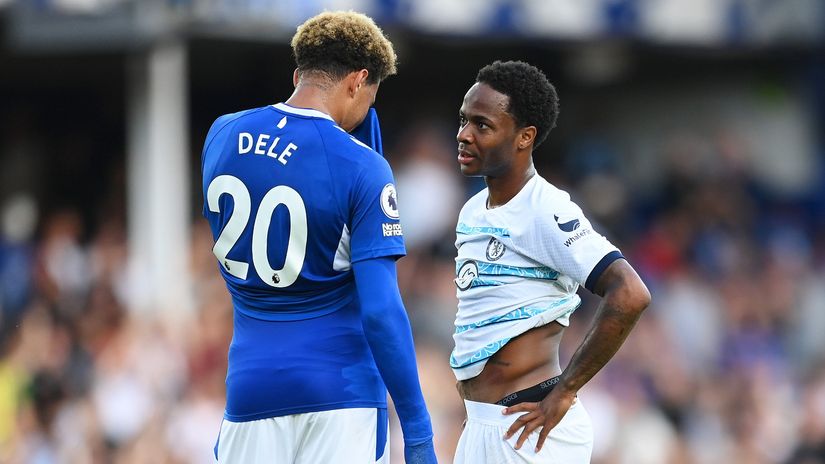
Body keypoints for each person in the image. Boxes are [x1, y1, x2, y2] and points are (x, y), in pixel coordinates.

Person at [200, 11, 436, 464]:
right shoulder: (362, 166)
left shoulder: (221, 134)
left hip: (249, 390)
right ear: (358, 80)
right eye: (371, 97)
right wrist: (418, 429)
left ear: (298, 74)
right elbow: (381, 312)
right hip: (341, 393)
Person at [450, 60, 651, 463]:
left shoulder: (545, 208)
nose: (464, 134)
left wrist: (566, 389)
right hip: (482, 423)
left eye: (482, 125)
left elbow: (630, 292)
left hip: (530, 427)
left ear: (524, 137)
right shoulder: (472, 210)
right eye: (463, 120)